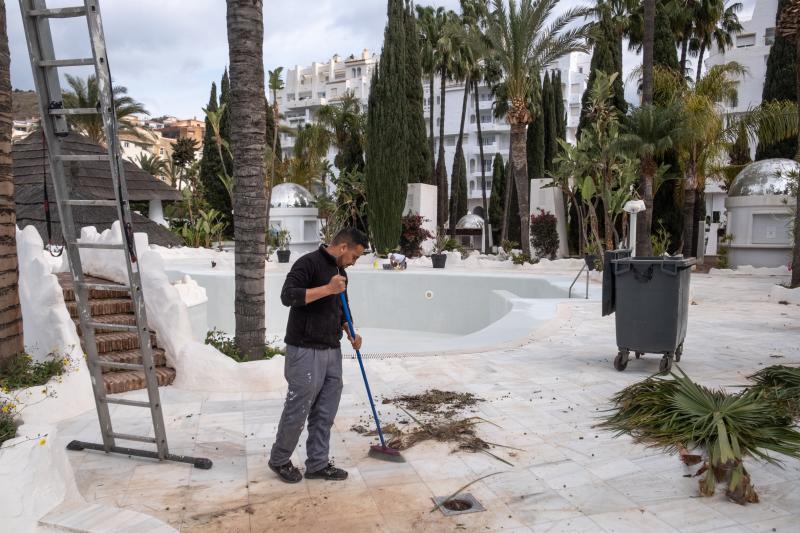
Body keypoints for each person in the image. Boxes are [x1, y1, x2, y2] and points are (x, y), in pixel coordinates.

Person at [268, 227, 368, 483]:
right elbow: (287, 296)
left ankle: (318, 463)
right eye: (354, 256)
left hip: (331, 350)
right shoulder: (308, 263)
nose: (354, 263)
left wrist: (350, 331)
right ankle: (279, 459)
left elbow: (342, 307)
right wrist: (327, 289)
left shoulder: (341, 273)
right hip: (304, 349)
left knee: (325, 411)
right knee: (298, 407)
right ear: (343, 247)